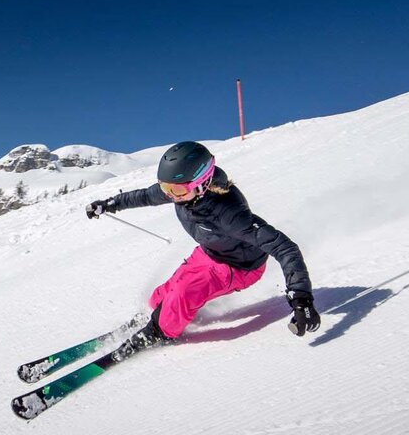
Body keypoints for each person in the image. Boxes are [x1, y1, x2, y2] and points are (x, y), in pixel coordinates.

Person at [86, 141, 320, 360]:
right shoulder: (182, 191)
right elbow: (146, 196)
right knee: (161, 295)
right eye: (166, 188)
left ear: (202, 183)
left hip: (239, 268)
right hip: (209, 252)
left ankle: (160, 331)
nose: (171, 196)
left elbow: (285, 247)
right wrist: (109, 204)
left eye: (177, 191)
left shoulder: (229, 213)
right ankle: (159, 313)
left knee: (183, 294)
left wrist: (301, 299)